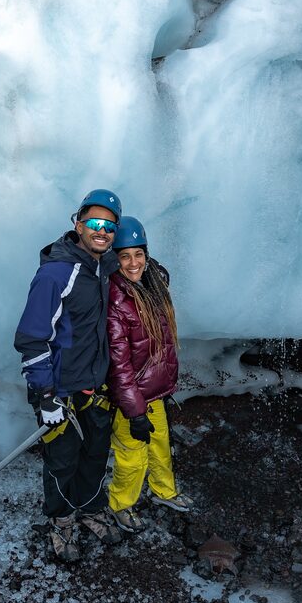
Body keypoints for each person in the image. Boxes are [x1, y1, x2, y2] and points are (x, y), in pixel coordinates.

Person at [14, 189, 125, 562]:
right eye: (94, 222)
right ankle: (61, 521)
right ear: (78, 225)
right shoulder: (56, 274)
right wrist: (46, 395)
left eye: (109, 226)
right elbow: (32, 337)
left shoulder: (103, 268)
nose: (102, 230)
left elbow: (137, 268)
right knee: (62, 460)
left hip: (93, 385)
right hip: (58, 389)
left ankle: (90, 508)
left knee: (94, 454)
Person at [105, 216, 193, 533]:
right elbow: (118, 366)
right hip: (130, 397)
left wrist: (161, 387)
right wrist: (134, 412)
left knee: (159, 443)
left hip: (152, 389)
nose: (133, 263)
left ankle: (163, 491)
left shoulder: (151, 284)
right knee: (132, 456)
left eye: (138, 254)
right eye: (124, 256)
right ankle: (120, 504)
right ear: (114, 259)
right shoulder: (116, 301)